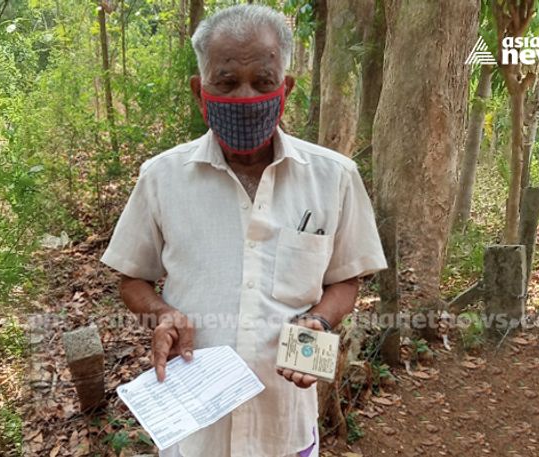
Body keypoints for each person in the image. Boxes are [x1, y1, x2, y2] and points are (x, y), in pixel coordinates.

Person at [101, 5, 386, 456]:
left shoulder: (334, 176)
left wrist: (317, 323)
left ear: (285, 89)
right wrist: (161, 314)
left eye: (263, 82)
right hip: (195, 430)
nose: (246, 96)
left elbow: (344, 281)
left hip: (285, 425)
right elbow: (132, 277)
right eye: (228, 82)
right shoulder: (161, 177)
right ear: (200, 91)